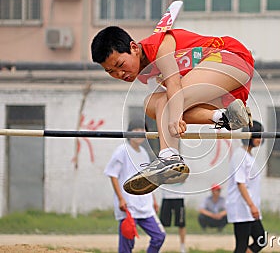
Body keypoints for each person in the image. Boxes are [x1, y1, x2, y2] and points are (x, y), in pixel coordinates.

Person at [91, 26, 254, 195]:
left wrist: (174, 119)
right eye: (111, 71)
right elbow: (167, 104)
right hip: (222, 90)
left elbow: (174, 86)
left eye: (120, 65)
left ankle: (169, 156)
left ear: (133, 48)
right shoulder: (145, 74)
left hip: (228, 58)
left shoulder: (160, 46)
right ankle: (225, 117)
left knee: (169, 102)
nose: (120, 73)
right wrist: (173, 116)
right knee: (151, 105)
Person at [104, 121, 166, 253]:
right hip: (129, 205)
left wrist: (153, 199)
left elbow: (146, 178)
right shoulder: (122, 150)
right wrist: (121, 199)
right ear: (129, 132)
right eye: (136, 129)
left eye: (142, 129)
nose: (139, 132)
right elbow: (112, 174)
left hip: (145, 205)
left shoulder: (143, 152)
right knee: (127, 242)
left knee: (159, 236)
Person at [226, 120, 266, 253]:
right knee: (241, 245)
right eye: (257, 135)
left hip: (249, 208)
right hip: (241, 207)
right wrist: (251, 205)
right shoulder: (240, 155)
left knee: (261, 239)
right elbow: (240, 183)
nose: (259, 139)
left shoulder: (248, 155)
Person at [159, 183, 187, 253]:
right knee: (163, 224)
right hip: (166, 196)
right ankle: (159, 246)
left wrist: (170, 178)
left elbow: (183, 178)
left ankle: (182, 247)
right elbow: (161, 178)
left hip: (179, 196)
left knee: (181, 223)